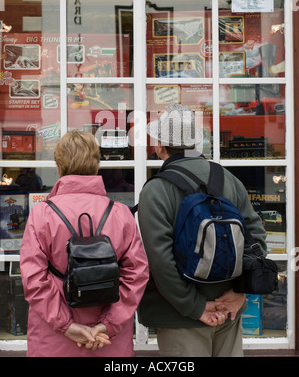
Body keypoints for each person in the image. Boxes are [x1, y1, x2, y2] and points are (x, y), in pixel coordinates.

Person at [137, 103, 267, 357]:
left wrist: (196, 306)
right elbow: (257, 238)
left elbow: (161, 261)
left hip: (180, 317)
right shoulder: (228, 178)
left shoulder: (156, 189)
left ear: (159, 145)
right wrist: (238, 293)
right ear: (195, 143)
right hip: (228, 309)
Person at [20, 130, 149, 357]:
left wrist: (66, 326)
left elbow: (34, 280)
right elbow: (136, 275)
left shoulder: (42, 214)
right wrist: (107, 325)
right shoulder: (120, 213)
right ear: (96, 166)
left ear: (58, 168)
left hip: (53, 339)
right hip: (108, 341)